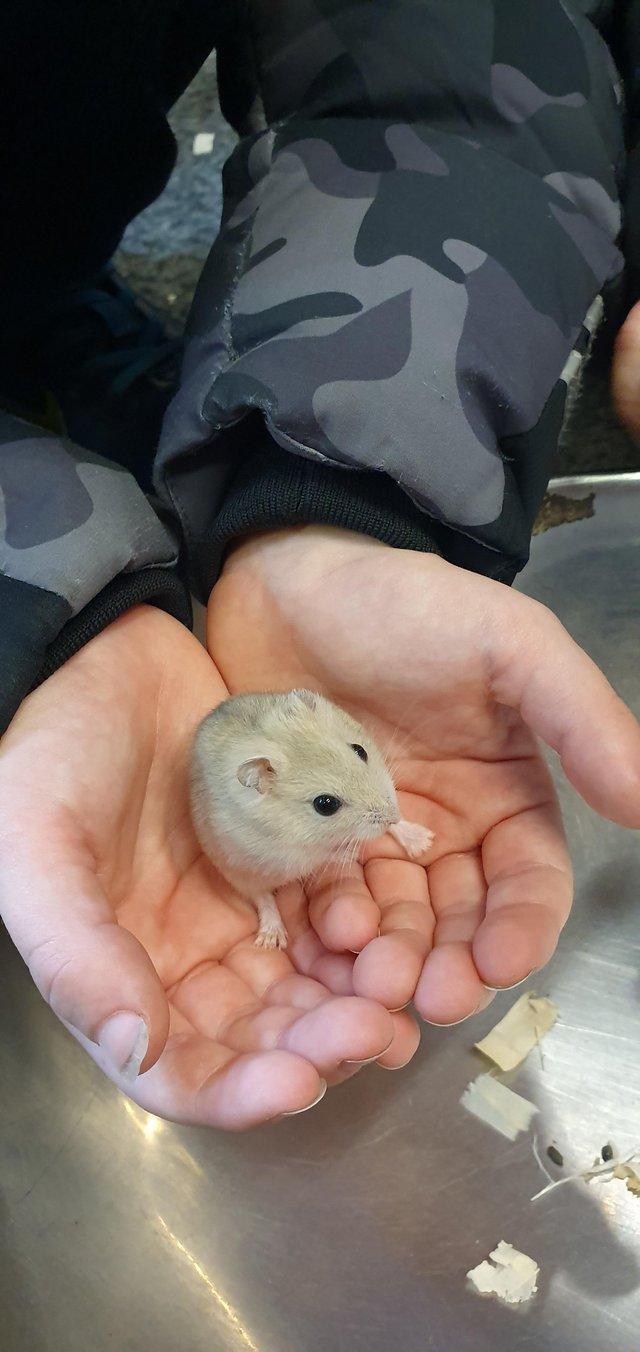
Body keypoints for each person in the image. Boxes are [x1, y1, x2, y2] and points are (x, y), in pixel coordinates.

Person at [0, 0, 639, 1129]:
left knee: (45, 252)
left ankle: (53, 300)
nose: (373, 795)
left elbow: (436, 45)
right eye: (343, 790)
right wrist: (36, 612)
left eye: (349, 759)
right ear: (257, 792)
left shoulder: (305, 746)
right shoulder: (252, 804)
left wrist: (336, 495)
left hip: (71, 178)